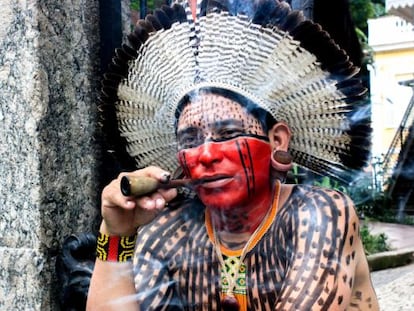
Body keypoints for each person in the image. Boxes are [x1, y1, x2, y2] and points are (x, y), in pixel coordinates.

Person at [87, 0, 379, 310]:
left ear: (277, 140)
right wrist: (116, 235)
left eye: (227, 133)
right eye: (190, 139)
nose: (207, 154)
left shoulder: (319, 214)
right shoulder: (168, 234)